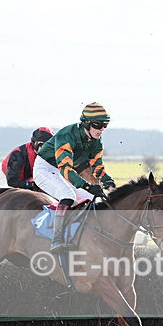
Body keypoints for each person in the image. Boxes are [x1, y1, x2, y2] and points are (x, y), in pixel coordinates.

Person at [35, 102, 116, 253]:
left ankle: (79, 234)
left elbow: (97, 166)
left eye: (105, 125)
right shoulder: (67, 135)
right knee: (68, 195)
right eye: (98, 125)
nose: (102, 129)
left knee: (93, 198)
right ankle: (57, 239)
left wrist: (108, 181)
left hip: (62, 170)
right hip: (45, 169)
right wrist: (86, 186)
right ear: (86, 123)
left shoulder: (97, 141)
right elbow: (65, 168)